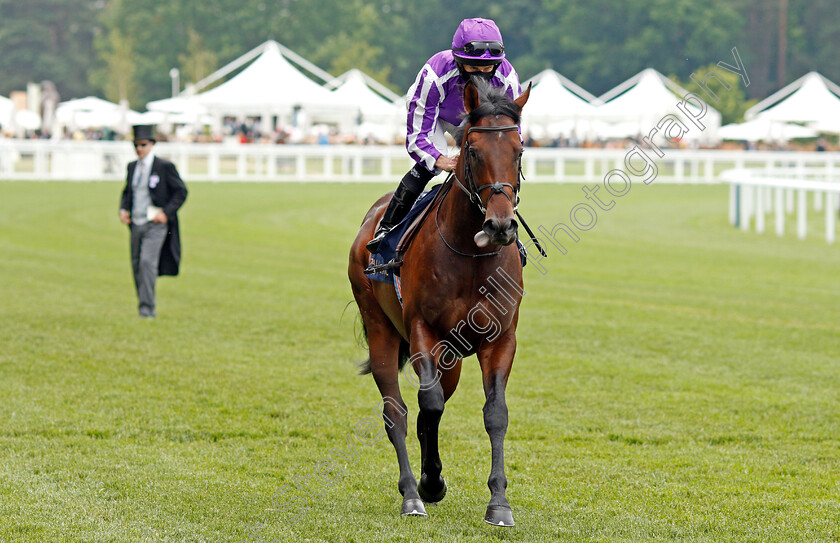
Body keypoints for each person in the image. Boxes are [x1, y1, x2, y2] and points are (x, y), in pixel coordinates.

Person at [366, 17, 522, 253]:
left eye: (487, 67)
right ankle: (387, 228)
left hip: (479, 119)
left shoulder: (507, 78)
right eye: (473, 67)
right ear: (459, 61)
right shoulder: (435, 74)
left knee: (499, 169)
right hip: (437, 116)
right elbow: (418, 137)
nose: (480, 74)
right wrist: (441, 160)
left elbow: (512, 132)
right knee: (428, 168)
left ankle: (510, 231)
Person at [119, 125, 188, 318]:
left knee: (147, 263)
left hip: (156, 224)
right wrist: (123, 209)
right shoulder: (132, 167)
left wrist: (166, 213)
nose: (139, 149)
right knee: (136, 265)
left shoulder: (164, 167)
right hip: (136, 224)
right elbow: (128, 192)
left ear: (151, 144)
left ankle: (147, 310)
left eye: (142, 145)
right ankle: (144, 303)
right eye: (136, 145)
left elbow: (181, 191)